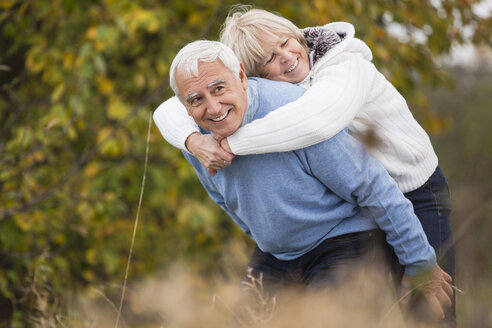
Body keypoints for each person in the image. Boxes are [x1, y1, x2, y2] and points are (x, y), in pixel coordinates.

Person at [153, 7, 456, 326]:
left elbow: (363, 175)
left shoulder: (322, 92)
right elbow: (222, 193)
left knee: (429, 311)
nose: (285, 57)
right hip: (289, 248)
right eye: (269, 59)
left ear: (242, 78)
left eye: (219, 89)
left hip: (413, 194)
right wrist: (193, 140)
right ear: (255, 72)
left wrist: (228, 145)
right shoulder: (195, 131)